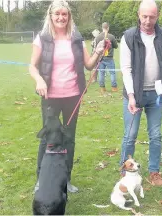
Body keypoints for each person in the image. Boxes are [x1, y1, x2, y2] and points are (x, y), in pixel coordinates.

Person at [29, 0, 104, 193]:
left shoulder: (76, 38)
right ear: (51, 16)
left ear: (69, 16)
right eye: (57, 14)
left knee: (69, 138)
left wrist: (98, 51)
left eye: (65, 14)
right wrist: (39, 80)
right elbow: (32, 66)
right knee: (48, 138)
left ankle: (66, 180)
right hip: (50, 97)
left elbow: (88, 64)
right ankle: (41, 179)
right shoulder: (43, 38)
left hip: (73, 96)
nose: (61, 18)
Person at [119, 0, 162, 186]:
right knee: (130, 135)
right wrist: (130, 96)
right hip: (134, 94)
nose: (147, 20)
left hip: (157, 95)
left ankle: (154, 171)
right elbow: (126, 69)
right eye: (144, 16)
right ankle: (125, 171)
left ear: (157, 16)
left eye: (151, 17)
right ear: (139, 15)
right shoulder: (128, 37)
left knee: (156, 135)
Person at [94, 22, 118, 93]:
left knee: (101, 73)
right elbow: (116, 46)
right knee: (112, 73)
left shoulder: (97, 37)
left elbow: (96, 47)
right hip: (109, 57)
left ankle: (102, 88)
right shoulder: (111, 36)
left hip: (100, 58)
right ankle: (114, 87)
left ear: (102, 28)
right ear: (108, 28)